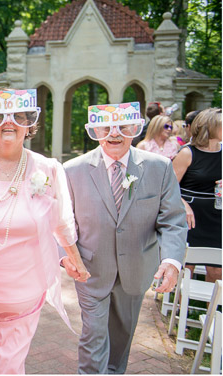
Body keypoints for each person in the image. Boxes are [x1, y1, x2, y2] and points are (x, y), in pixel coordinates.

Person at [0, 89, 89, 374]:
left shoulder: (47, 169)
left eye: (18, 117)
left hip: (23, 290)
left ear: (30, 124)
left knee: (9, 368)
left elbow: (61, 220)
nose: (9, 123)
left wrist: (73, 257)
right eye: (0, 117)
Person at [64, 102, 187, 373]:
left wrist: (171, 260)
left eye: (123, 127)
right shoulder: (72, 170)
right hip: (91, 269)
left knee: (120, 340)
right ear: (94, 129)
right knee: (93, 336)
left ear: (136, 128)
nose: (114, 134)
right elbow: (62, 221)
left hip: (136, 269)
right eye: (105, 127)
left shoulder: (160, 168)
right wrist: (65, 256)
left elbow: (173, 221)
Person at [172, 108, 221, 283]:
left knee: (216, 269)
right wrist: (183, 204)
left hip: (216, 217)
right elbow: (169, 187)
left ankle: (212, 310)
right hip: (191, 217)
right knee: (187, 266)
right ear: (211, 127)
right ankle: (177, 307)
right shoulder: (187, 153)